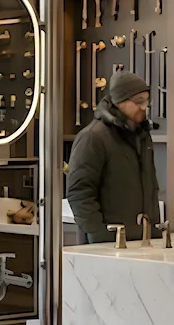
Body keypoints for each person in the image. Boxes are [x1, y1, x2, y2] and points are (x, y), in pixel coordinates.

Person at [67, 70, 159, 245]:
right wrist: (99, 236)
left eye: (147, 100)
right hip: (108, 246)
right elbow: (79, 193)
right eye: (138, 101)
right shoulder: (93, 137)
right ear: (119, 102)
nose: (144, 107)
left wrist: (153, 231)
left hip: (144, 242)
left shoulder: (142, 136)